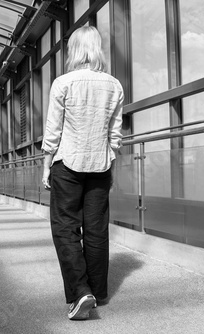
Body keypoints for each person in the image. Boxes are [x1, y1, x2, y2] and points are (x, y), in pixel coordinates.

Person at [41, 26, 123, 321]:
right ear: (97, 49)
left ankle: (80, 291)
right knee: (97, 228)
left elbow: (53, 130)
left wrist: (46, 164)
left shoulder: (63, 83)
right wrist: (112, 161)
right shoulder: (114, 85)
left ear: (74, 50)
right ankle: (97, 292)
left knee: (65, 227)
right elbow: (115, 135)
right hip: (101, 164)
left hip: (68, 163)